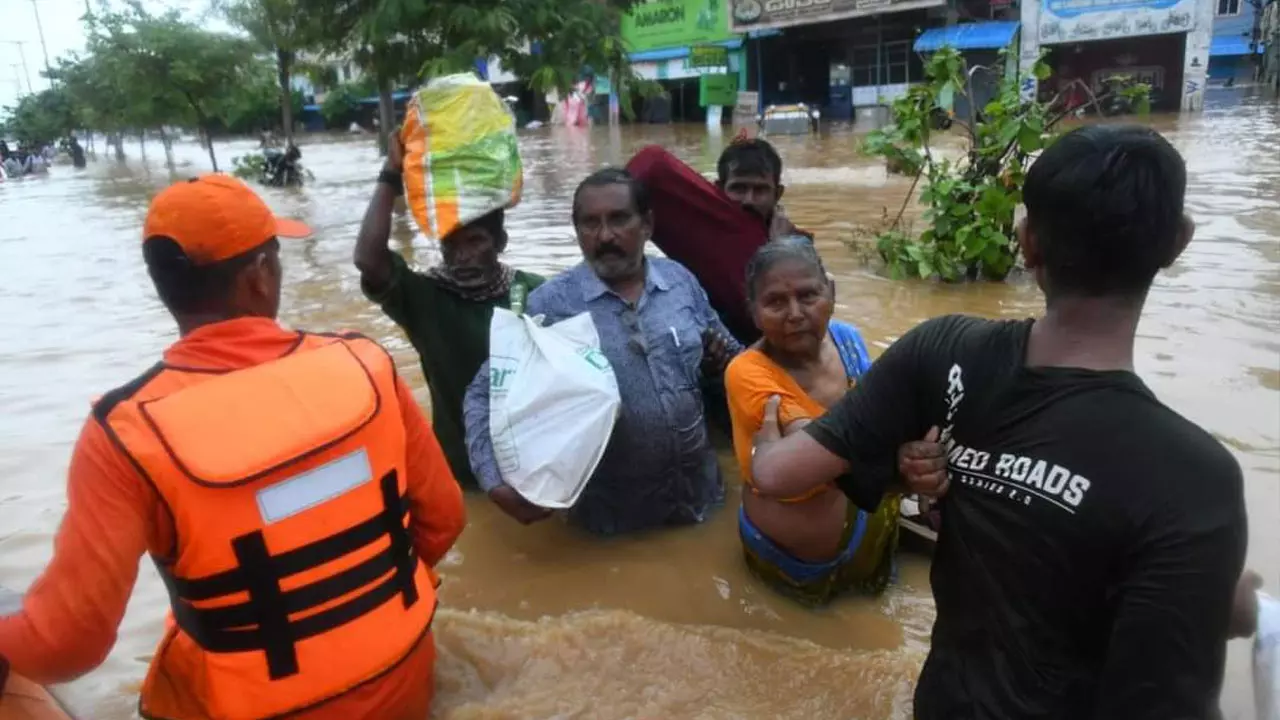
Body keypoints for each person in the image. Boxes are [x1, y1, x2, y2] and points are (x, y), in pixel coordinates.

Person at [750, 125, 1249, 717]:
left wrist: (767, 441)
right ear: (1178, 242)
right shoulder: (1194, 480)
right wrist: (1224, 602)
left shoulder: (942, 349)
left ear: (1027, 242)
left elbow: (779, 475)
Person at [0, 174, 466, 720]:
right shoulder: (368, 364)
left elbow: (68, 644)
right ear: (260, 276)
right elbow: (444, 520)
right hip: (404, 677)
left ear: (163, 286)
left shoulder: (124, 431)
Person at [464, 168, 742, 532]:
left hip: (703, 500)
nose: (605, 236)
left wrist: (724, 367)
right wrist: (495, 482)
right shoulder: (551, 304)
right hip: (611, 520)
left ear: (647, 225)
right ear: (576, 230)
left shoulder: (680, 282)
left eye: (619, 219)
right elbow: (484, 393)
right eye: (590, 223)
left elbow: (735, 358)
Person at [726, 238, 942, 604]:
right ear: (753, 311)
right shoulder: (747, 372)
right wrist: (902, 462)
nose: (794, 313)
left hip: (869, 533)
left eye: (808, 296)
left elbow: (888, 414)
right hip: (793, 563)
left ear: (832, 292)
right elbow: (814, 448)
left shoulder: (848, 340)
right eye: (776, 302)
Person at [355, 133, 545, 491]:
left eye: (475, 241)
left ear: (500, 243)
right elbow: (368, 260)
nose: (463, 256)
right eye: (451, 245)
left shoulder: (535, 291)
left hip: (532, 466)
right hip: (461, 473)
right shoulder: (427, 300)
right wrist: (389, 175)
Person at [715, 137, 810, 241]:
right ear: (719, 190)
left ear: (777, 194)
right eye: (739, 188)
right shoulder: (701, 238)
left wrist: (781, 246)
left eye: (760, 189)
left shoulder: (799, 246)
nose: (749, 200)